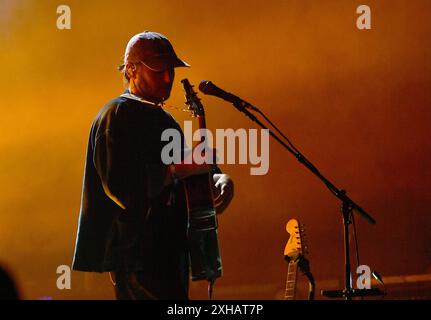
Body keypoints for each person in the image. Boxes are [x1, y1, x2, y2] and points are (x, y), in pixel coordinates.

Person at [72, 31, 234, 300]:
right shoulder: (115, 115)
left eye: (170, 69)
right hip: (138, 256)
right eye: (158, 70)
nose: (168, 78)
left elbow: (190, 170)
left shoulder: (166, 121)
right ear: (132, 70)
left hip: (170, 253)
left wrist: (219, 180)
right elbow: (121, 188)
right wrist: (175, 170)